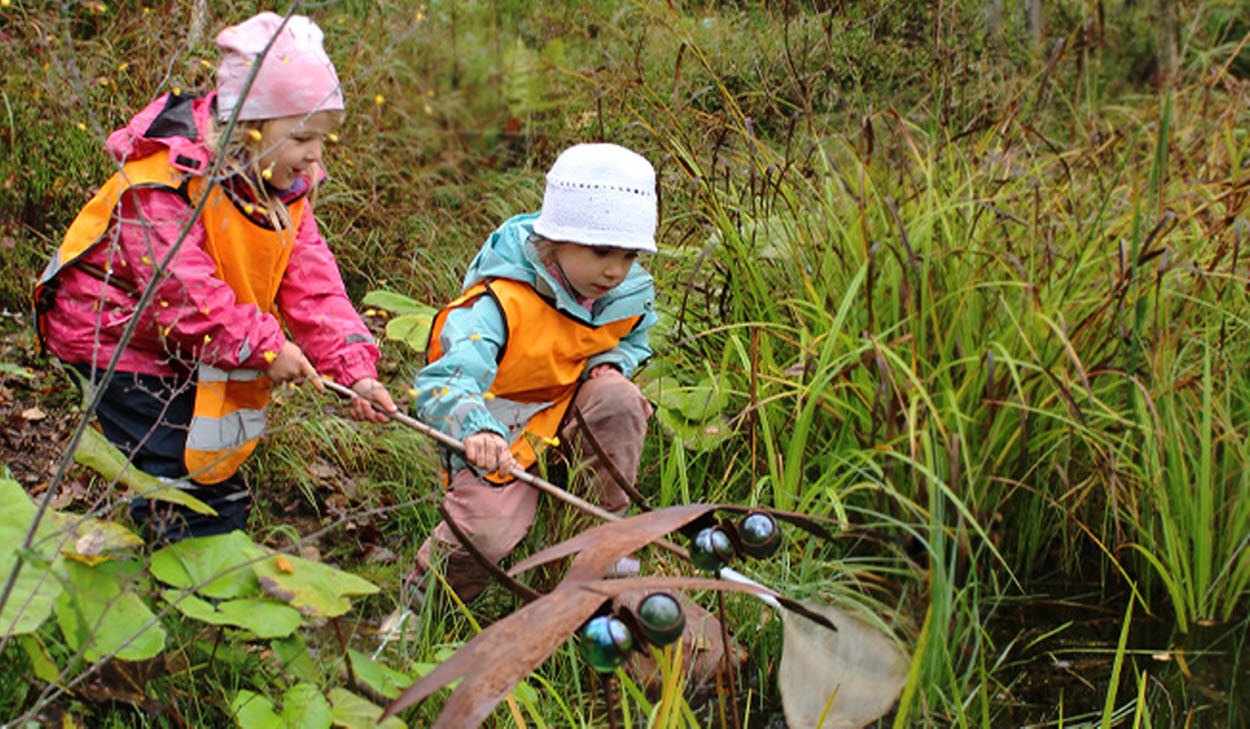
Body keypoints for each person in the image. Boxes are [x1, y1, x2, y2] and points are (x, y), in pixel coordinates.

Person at [34, 11, 396, 542]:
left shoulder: (280, 189)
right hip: (113, 334)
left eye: (324, 139)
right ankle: (179, 559)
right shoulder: (166, 185)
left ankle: (207, 515)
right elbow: (183, 297)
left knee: (206, 444)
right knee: (168, 463)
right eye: (301, 137)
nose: (315, 156)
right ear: (251, 127)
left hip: (194, 339)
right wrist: (270, 349)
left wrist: (354, 369)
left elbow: (313, 285)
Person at [409, 142, 660, 603]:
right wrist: (476, 427)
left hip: (566, 412)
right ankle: (425, 608)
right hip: (498, 427)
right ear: (554, 240)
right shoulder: (500, 303)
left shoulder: (627, 296)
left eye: (629, 256)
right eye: (602, 251)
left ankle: (596, 554)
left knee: (620, 400)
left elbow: (633, 342)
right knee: (487, 528)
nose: (614, 271)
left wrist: (611, 366)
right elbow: (445, 380)